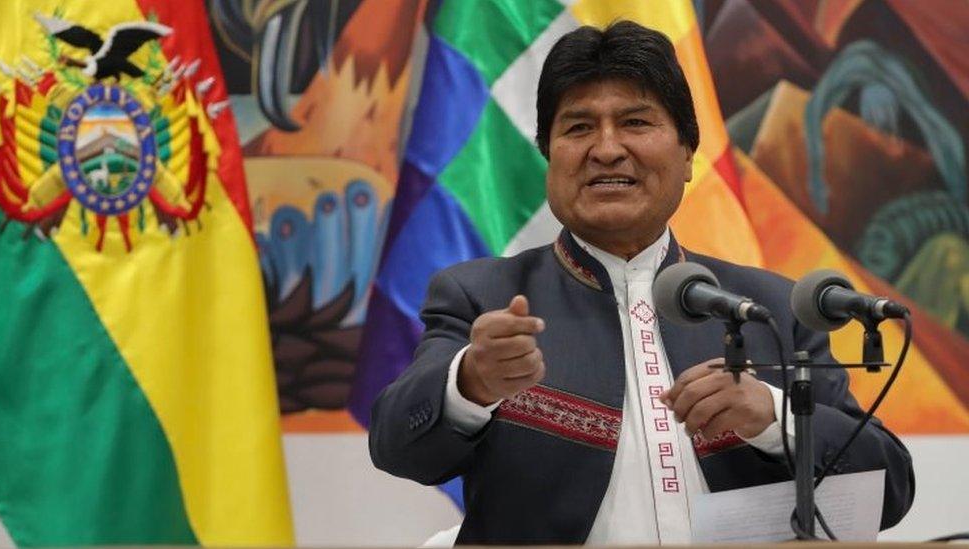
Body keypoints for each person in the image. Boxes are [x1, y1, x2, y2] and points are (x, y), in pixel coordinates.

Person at [369, 21, 914, 545]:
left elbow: (889, 491)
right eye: (578, 127)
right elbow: (398, 448)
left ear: (686, 157)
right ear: (549, 158)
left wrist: (772, 416)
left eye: (635, 122)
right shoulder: (480, 296)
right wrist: (470, 383)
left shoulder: (770, 308)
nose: (606, 148)